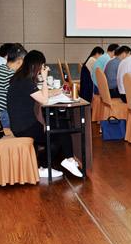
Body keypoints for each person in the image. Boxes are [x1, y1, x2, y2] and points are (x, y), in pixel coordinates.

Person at [7, 50, 83, 179]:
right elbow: (43, 100)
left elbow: (39, 95)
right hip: (24, 127)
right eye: (42, 66)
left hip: (24, 123)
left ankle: (67, 159)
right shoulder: (25, 81)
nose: (42, 69)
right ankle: (47, 167)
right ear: (36, 65)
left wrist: (53, 92)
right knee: (57, 134)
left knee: (61, 124)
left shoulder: (22, 78)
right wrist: (44, 79)